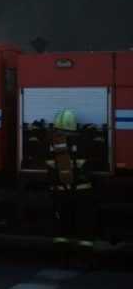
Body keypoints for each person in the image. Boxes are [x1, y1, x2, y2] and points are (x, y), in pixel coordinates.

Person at [45, 108, 97, 270]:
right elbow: (98, 149)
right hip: (82, 192)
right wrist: (92, 132)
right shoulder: (82, 143)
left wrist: (34, 132)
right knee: (85, 227)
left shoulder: (52, 144)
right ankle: (85, 261)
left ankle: (62, 260)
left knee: (61, 228)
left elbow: (33, 149)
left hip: (59, 193)